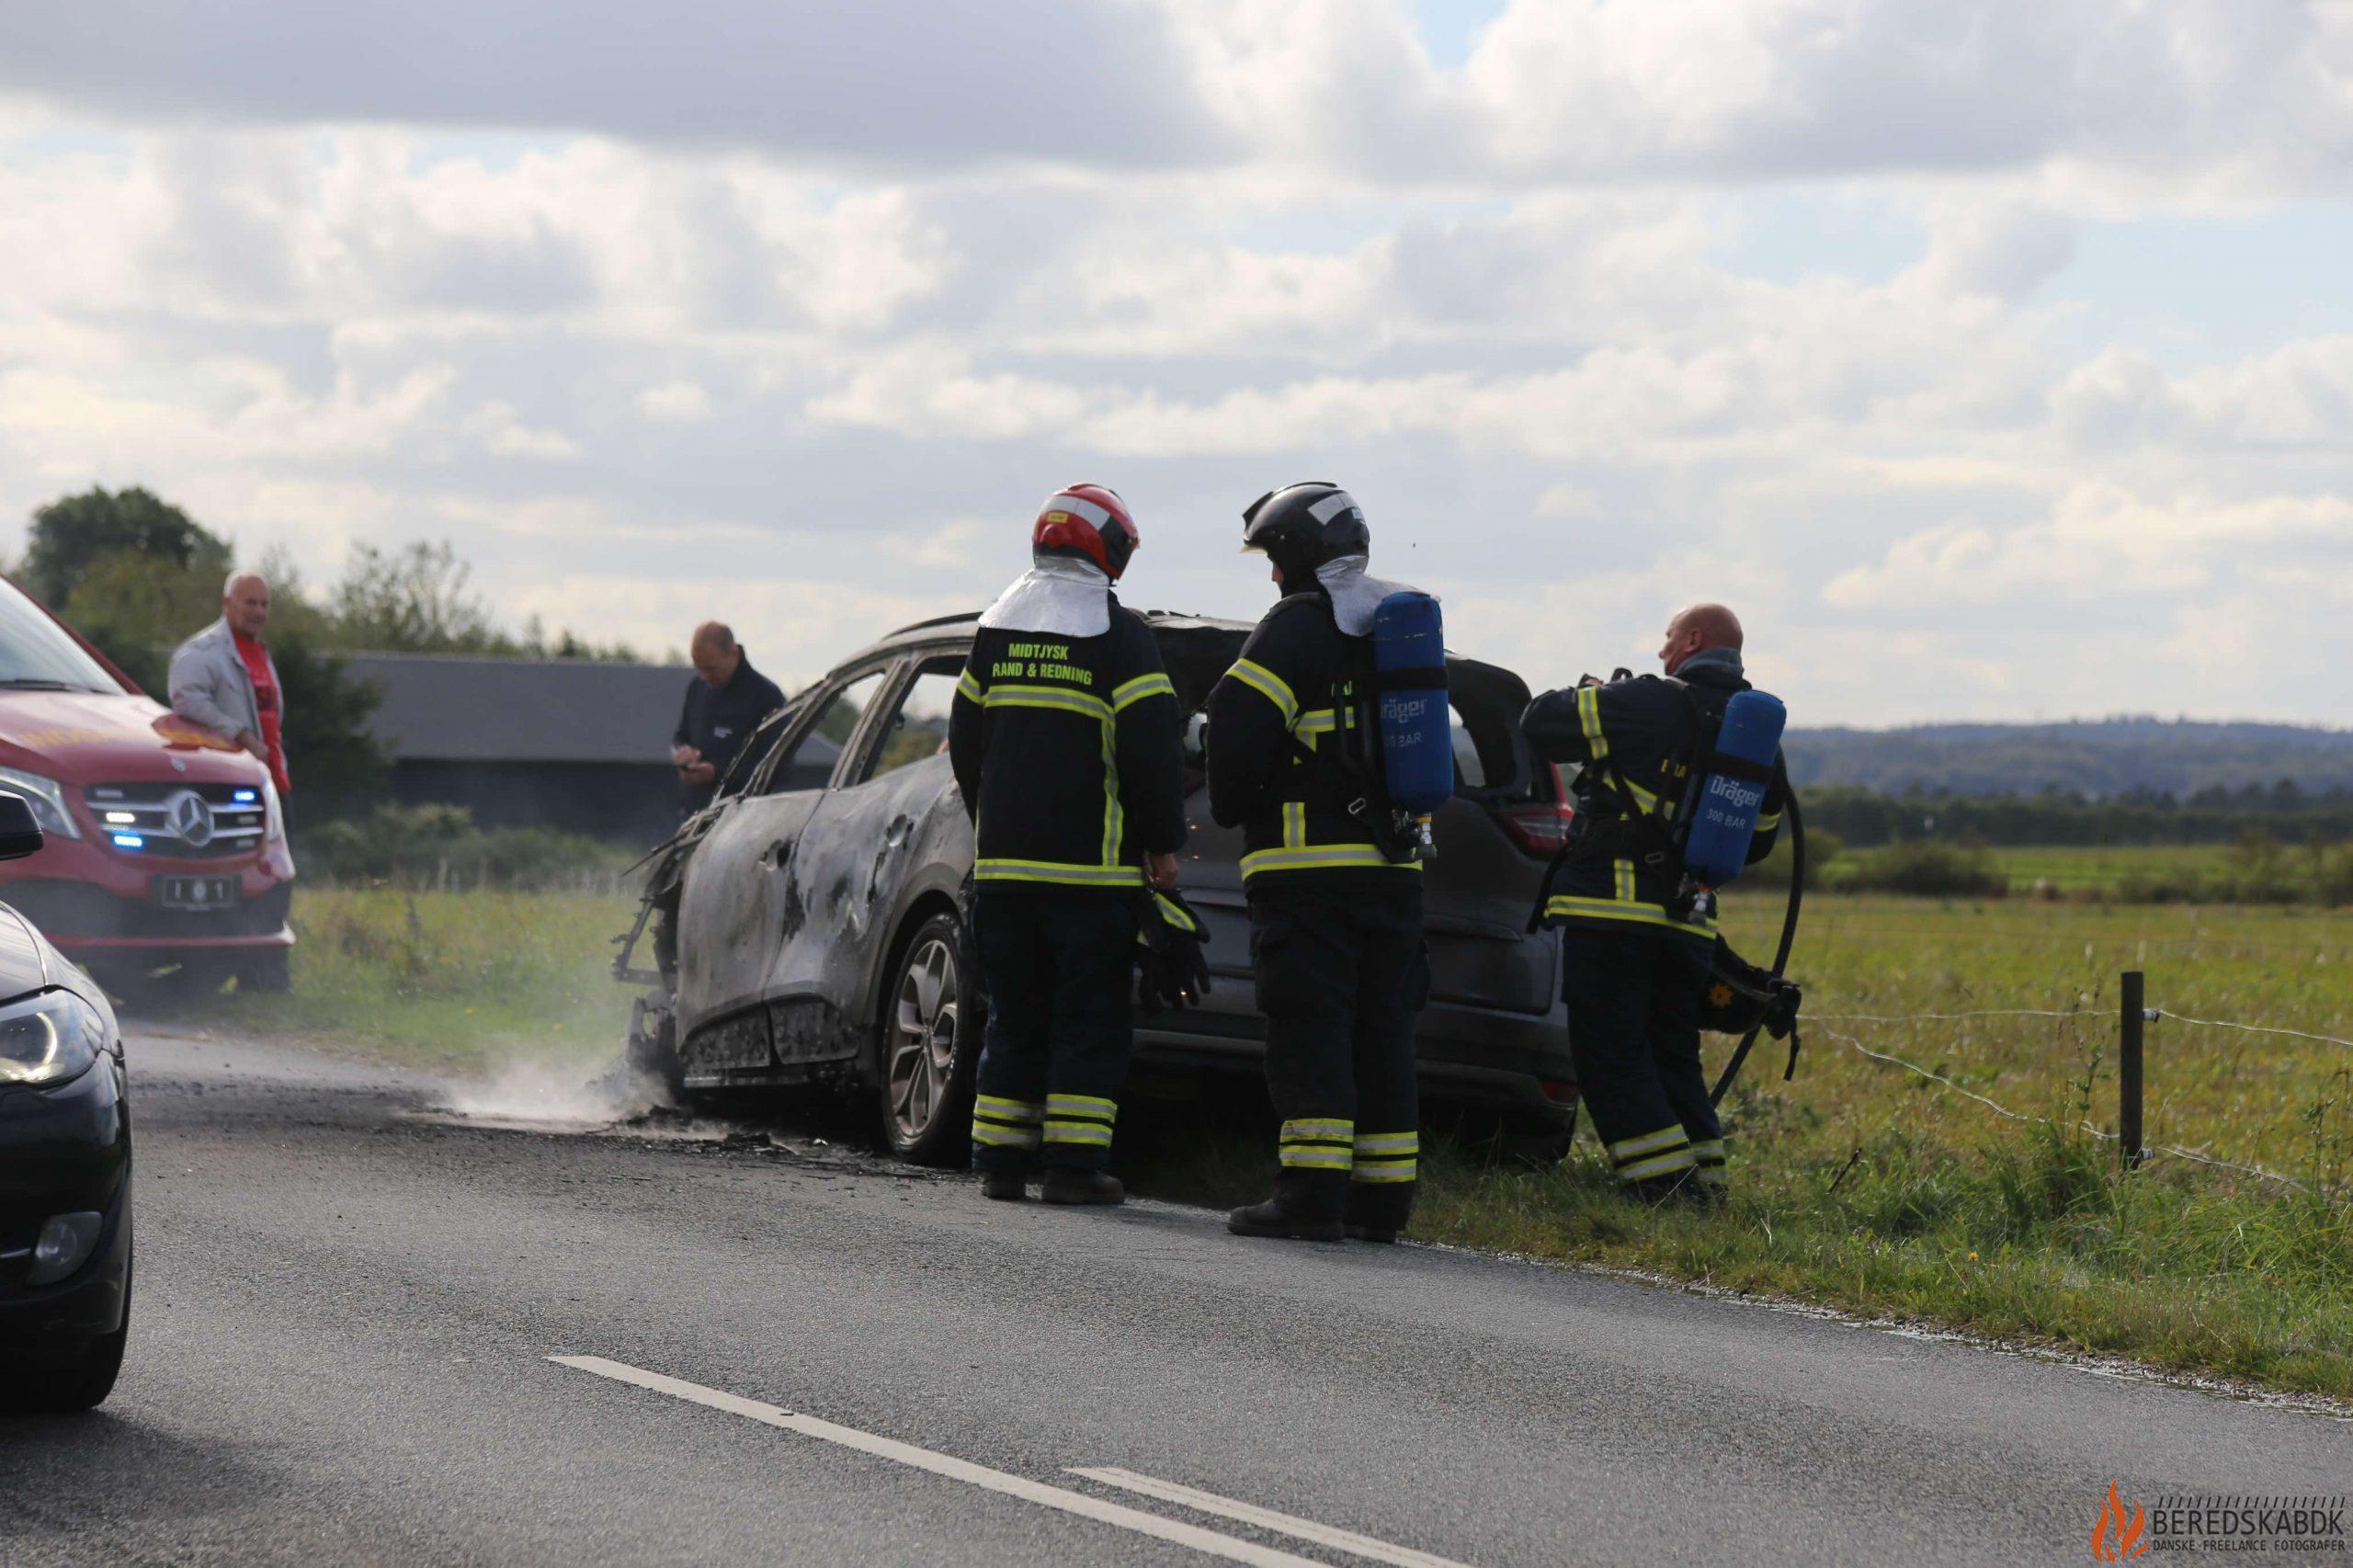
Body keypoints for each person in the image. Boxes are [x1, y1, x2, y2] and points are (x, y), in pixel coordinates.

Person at [1203, 483, 1430, 1244]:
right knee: (1383, 1032)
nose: (1271, 575)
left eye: (1273, 557)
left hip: (1307, 874)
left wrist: (1236, 803)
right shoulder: (1393, 624)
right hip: (1395, 873)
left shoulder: (1296, 626)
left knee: (1311, 1029)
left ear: (1298, 554)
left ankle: (1309, 1195)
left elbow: (1235, 728)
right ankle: (1383, 1201)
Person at [949, 484, 1187, 1207]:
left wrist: (991, 826)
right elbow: (1151, 757)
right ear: (1108, 550)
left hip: (1005, 878)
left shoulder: (996, 633)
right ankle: (1074, 1168)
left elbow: (963, 742)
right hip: (1091, 880)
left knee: (1015, 1012)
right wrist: (1163, 848)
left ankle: (998, 1160)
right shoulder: (1121, 637)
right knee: (1087, 1021)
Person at [1521, 603, 1787, 1203]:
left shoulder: (1646, 700)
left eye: (1668, 639)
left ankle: (1664, 1190)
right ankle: (1708, 1187)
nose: (1662, 651)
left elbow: (1540, 722)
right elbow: (1761, 840)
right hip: (1690, 924)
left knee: (1611, 1052)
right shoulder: (1757, 739)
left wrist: (1593, 694)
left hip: (1610, 914)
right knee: (1673, 1056)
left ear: (1693, 640)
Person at [169, 571, 290, 800]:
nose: (259, 612)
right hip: (231, 783)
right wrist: (242, 737)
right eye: (250, 603)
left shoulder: (261, 654)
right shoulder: (202, 652)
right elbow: (187, 701)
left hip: (274, 785)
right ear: (227, 603)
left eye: (265, 605)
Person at [671, 622, 785, 816]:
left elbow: (778, 769)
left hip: (741, 820)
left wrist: (718, 775)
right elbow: (680, 737)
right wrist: (683, 754)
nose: (705, 676)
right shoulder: (697, 688)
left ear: (733, 653)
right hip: (694, 818)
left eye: (711, 669)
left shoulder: (767, 696)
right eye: (699, 669)